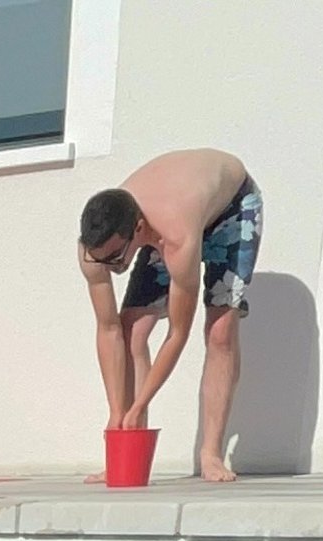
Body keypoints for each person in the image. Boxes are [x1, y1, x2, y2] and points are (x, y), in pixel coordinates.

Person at [78, 148, 262, 482]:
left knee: (220, 329)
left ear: (138, 230)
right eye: (101, 260)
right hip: (177, 208)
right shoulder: (92, 252)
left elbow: (177, 334)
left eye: (116, 257)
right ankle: (127, 448)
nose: (111, 267)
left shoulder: (176, 237)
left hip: (232, 207)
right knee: (131, 329)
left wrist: (140, 403)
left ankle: (211, 453)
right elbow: (108, 330)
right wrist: (117, 412)